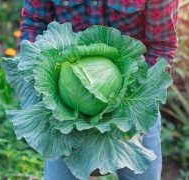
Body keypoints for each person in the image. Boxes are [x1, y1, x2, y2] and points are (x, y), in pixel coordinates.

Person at [18, 0, 179, 179]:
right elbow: (34, 25)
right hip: (63, 111)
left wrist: (126, 108)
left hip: (134, 104)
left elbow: (161, 45)